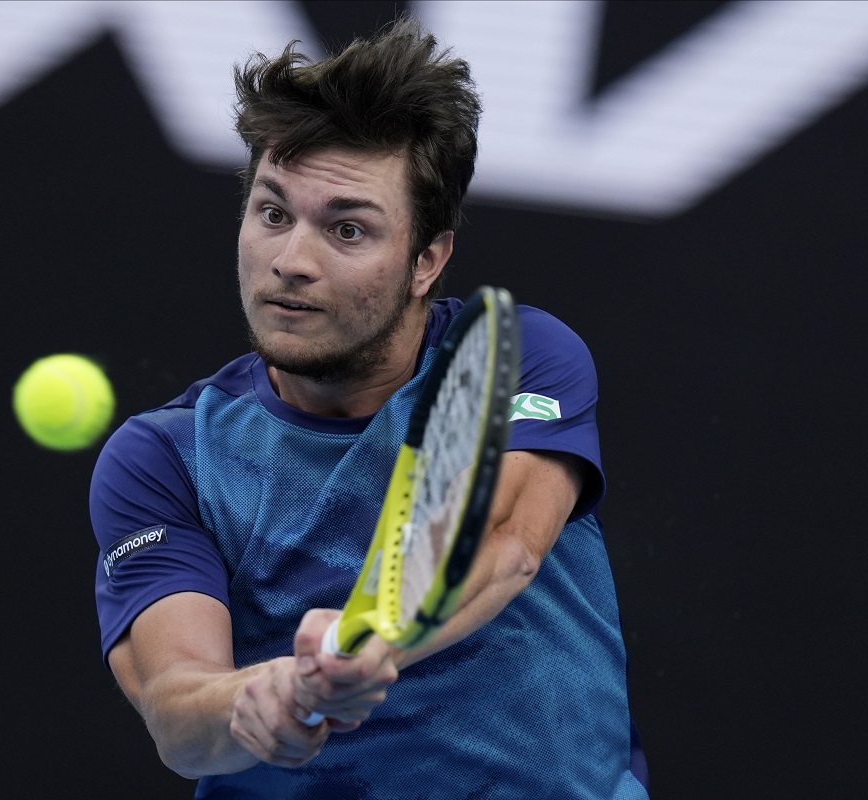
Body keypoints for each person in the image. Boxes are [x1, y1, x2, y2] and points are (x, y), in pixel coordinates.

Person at [90, 15, 649, 799]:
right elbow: (177, 709)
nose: (290, 262)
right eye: (273, 212)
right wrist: (262, 698)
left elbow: (503, 543)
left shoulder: (515, 354)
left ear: (427, 260)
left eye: (347, 229)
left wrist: (366, 642)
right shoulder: (164, 459)